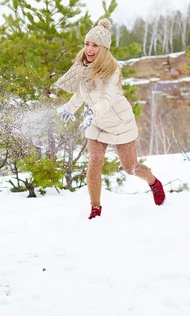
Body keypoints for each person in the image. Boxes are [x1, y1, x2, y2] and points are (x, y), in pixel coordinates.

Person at [55, 18, 165, 220]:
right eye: (87, 44)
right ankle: (95, 209)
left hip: (119, 124)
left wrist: (92, 112)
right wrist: (69, 108)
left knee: (130, 168)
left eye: (95, 45)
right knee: (94, 164)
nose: (89, 49)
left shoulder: (112, 70)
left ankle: (153, 182)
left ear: (104, 48)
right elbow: (81, 94)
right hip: (96, 123)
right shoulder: (82, 67)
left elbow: (106, 98)